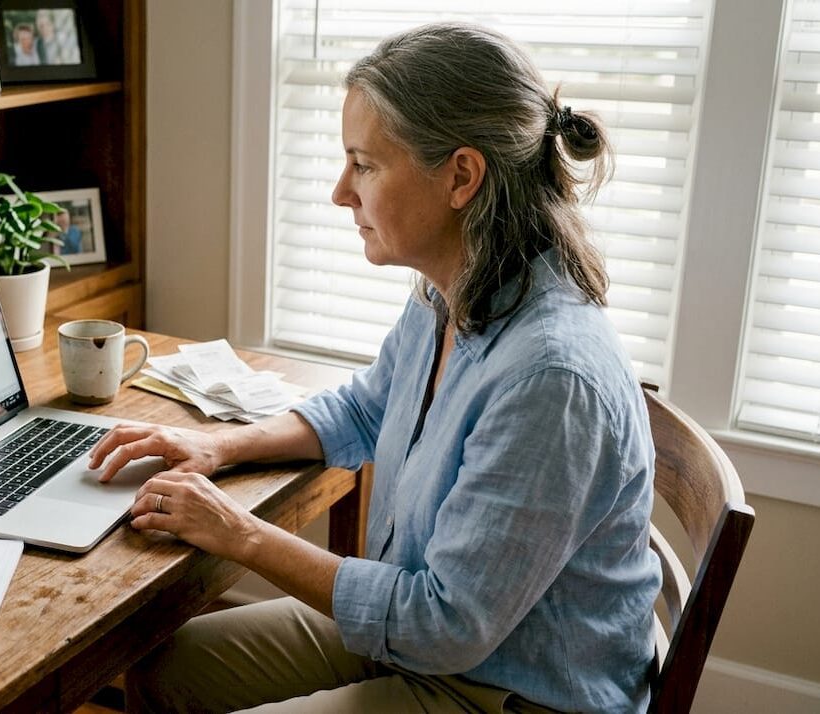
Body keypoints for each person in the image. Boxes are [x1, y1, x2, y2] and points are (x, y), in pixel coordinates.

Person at [88, 21, 661, 714]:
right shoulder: (450, 291)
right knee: (162, 670)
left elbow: (443, 626)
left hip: (510, 687)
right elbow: (366, 407)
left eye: (364, 165)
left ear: (461, 176)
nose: (340, 191)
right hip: (432, 634)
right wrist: (218, 446)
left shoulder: (550, 379)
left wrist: (239, 533)